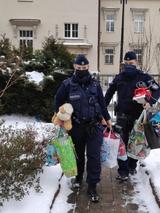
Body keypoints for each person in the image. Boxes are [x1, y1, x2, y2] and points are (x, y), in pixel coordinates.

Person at [55, 54, 112, 202]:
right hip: (76, 127)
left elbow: (102, 103)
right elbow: (58, 101)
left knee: (94, 156)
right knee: (78, 155)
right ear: (75, 67)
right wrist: (61, 116)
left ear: (88, 67)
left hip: (94, 126)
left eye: (84, 68)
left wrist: (108, 119)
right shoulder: (67, 85)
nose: (82, 70)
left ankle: (92, 186)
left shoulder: (95, 84)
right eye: (79, 68)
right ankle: (79, 177)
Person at [104, 51, 160, 181]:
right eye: (127, 63)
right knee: (122, 143)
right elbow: (108, 94)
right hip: (122, 116)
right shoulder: (119, 78)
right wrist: (102, 111)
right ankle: (123, 171)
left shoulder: (144, 77)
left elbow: (157, 90)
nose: (129, 65)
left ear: (136, 62)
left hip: (138, 117)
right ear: (123, 63)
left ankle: (132, 166)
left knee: (136, 142)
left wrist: (149, 101)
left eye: (132, 63)